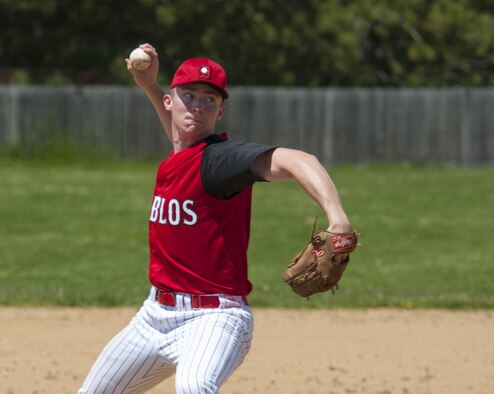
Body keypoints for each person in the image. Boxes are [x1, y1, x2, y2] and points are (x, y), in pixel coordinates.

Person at [78, 43, 353, 394]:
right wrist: (149, 85)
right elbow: (181, 135)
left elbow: (300, 159)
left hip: (213, 319)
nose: (197, 105)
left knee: (195, 389)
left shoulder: (220, 161)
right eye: (188, 95)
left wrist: (338, 219)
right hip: (153, 318)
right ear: (170, 101)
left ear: (220, 112)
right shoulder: (180, 157)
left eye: (209, 100)